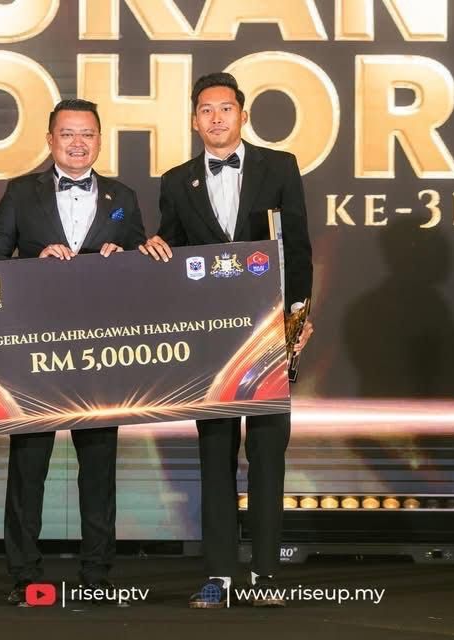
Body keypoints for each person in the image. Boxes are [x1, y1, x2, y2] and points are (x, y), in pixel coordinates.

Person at [139, 73, 314, 608]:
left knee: (267, 455)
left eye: (226, 109)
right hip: (210, 344)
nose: (216, 118)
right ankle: (218, 576)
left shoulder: (279, 166)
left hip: (268, 335)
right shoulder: (176, 180)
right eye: (206, 110)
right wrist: (156, 247)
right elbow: (174, 251)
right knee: (214, 457)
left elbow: (299, 249)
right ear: (194, 120)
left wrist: (297, 323)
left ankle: (264, 577)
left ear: (243, 115)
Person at [0, 98, 146, 606]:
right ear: (50, 139)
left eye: (87, 134)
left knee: (99, 467)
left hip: (101, 353)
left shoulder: (124, 196)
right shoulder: (20, 193)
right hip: (36, 352)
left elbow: (146, 265)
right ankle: (24, 574)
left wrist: (126, 257)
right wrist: (34, 258)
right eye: (67, 134)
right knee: (28, 466)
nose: (78, 143)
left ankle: (97, 573)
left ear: (100, 140)